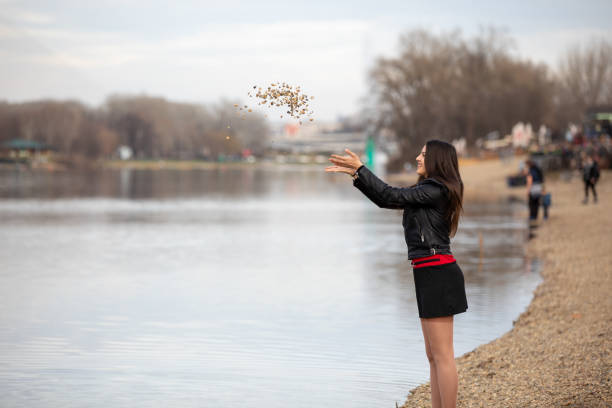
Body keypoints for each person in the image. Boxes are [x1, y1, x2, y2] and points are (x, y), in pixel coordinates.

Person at [326, 140, 467, 408]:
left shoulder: (436, 190)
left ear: (437, 159)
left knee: (443, 355)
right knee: (433, 355)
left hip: (438, 271)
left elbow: (391, 196)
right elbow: (385, 199)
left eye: (423, 154)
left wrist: (361, 170)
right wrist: (358, 174)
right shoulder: (428, 189)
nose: (417, 157)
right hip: (427, 271)